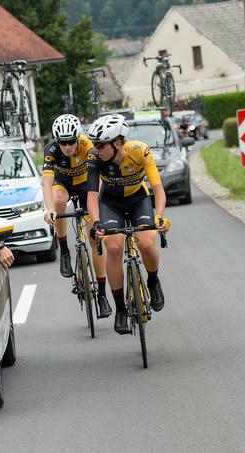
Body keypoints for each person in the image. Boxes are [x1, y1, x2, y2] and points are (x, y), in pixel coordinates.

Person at [85, 114, 170, 335]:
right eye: (94, 144)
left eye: (101, 145)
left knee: (146, 244)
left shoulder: (140, 151)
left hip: (138, 200)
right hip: (110, 202)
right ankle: (121, 309)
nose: (96, 149)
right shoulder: (94, 159)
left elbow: (158, 189)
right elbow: (92, 196)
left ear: (119, 143)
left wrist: (159, 216)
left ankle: (153, 280)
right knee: (113, 248)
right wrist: (96, 223)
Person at [42, 114, 111, 318]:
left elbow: (97, 181)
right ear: (57, 140)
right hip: (63, 183)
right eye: (63, 142)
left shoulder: (88, 146)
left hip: (86, 185)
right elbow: (46, 183)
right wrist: (49, 209)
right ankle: (63, 249)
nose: (68, 146)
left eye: (72, 141)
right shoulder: (51, 150)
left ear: (78, 137)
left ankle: (102, 294)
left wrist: (95, 213)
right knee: (58, 201)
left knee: (94, 237)